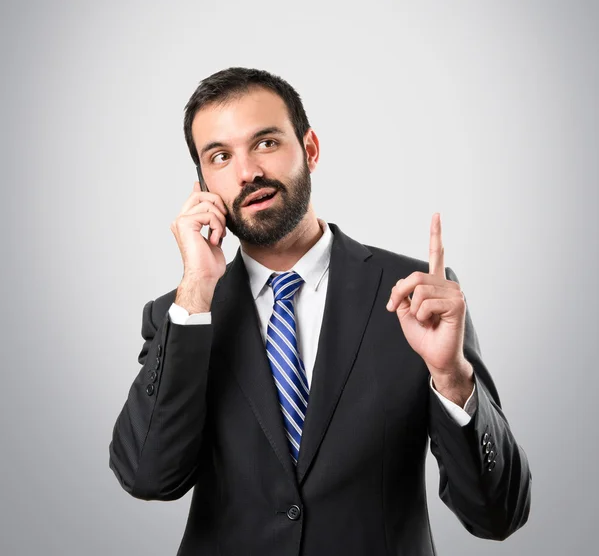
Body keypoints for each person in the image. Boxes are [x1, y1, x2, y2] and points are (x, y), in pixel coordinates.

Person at [109, 67, 531, 555]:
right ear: (202, 185)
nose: (247, 172)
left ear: (309, 149)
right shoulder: (183, 314)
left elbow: (499, 515)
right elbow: (147, 476)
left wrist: (452, 377)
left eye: (266, 143)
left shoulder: (417, 298)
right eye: (220, 157)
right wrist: (197, 289)